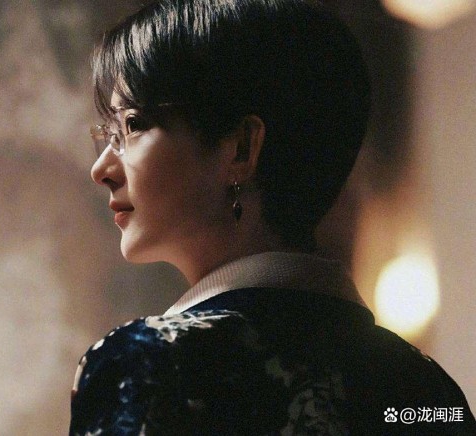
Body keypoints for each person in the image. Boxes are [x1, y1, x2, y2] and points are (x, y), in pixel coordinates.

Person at [70, 0, 476, 434]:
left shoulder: (148, 364)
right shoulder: (430, 392)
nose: (101, 169)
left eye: (133, 125)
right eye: (107, 136)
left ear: (241, 148)